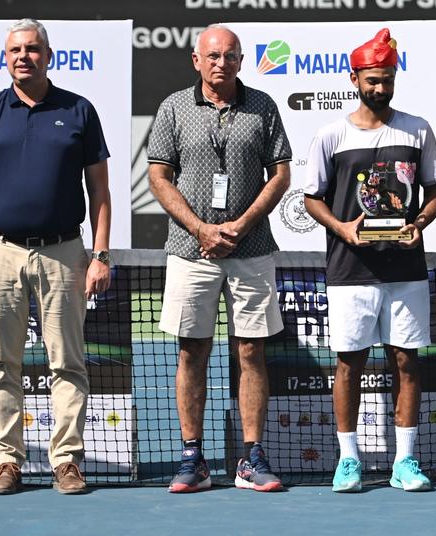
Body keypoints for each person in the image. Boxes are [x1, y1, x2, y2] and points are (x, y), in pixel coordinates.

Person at [0, 18, 111, 496]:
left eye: (33, 49)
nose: (24, 56)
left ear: (49, 55)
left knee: (68, 362)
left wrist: (99, 254)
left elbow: (100, 191)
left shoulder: (79, 110)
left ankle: (66, 460)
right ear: (6, 58)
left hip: (65, 252)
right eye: (15, 50)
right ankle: (7, 462)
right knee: (1, 362)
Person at [147, 24, 291, 493]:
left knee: (252, 350)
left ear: (241, 60)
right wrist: (202, 229)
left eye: (230, 56)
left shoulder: (263, 106)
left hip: (251, 250)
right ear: (196, 60)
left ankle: (251, 458)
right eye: (212, 56)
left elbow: (281, 174)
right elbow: (159, 178)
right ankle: (193, 459)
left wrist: (240, 226)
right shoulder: (172, 107)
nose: (221, 63)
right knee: (192, 351)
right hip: (191, 251)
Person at [302, 28, 436, 493]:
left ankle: (405, 460)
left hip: (406, 272)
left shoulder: (417, 128)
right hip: (350, 272)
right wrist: (342, 228)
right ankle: (349, 460)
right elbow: (311, 198)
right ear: (354, 78)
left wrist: (420, 224)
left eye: (387, 80)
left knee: (407, 363)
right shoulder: (331, 134)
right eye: (373, 80)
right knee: (349, 365)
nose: (380, 88)